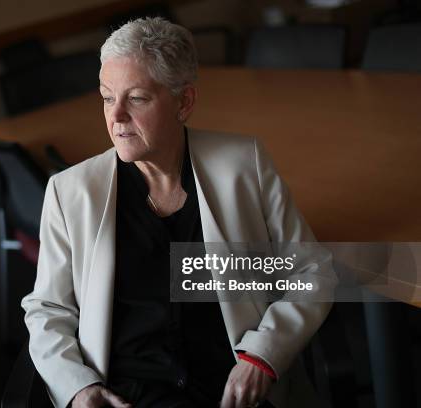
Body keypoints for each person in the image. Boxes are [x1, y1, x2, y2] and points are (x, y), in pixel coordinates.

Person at [22, 17, 332, 408]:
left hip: (235, 390)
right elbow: (47, 308)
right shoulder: (70, 192)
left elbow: (313, 271)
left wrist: (262, 355)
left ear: (183, 102)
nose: (115, 116)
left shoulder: (243, 165)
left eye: (135, 98)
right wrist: (79, 389)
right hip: (127, 395)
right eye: (106, 97)